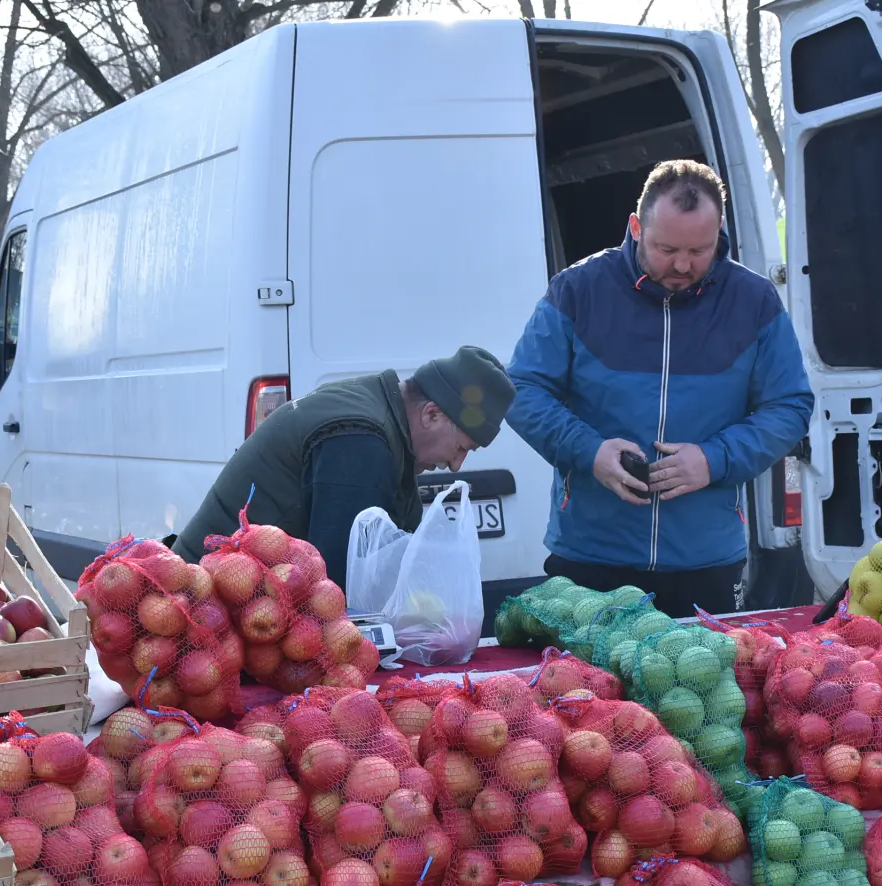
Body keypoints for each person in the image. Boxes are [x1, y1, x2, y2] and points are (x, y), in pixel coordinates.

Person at [506, 159, 814, 619]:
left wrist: (714, 460)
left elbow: (790, 406)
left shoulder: (755, 301)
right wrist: (590, 451)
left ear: (720, 230)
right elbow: (522, 389)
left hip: (706, 559)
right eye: (667, 248)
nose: (683, 265)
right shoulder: (577, 289)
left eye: (700, 249)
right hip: (591, 556)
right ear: (635, 226)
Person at [172, 346, 515, 590]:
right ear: (431, 414)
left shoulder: (378, 409)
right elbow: (339, 584)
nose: (456, 465)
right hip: (200, 605)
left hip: (232, 598)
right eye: (460, 448)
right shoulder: (360, 442)